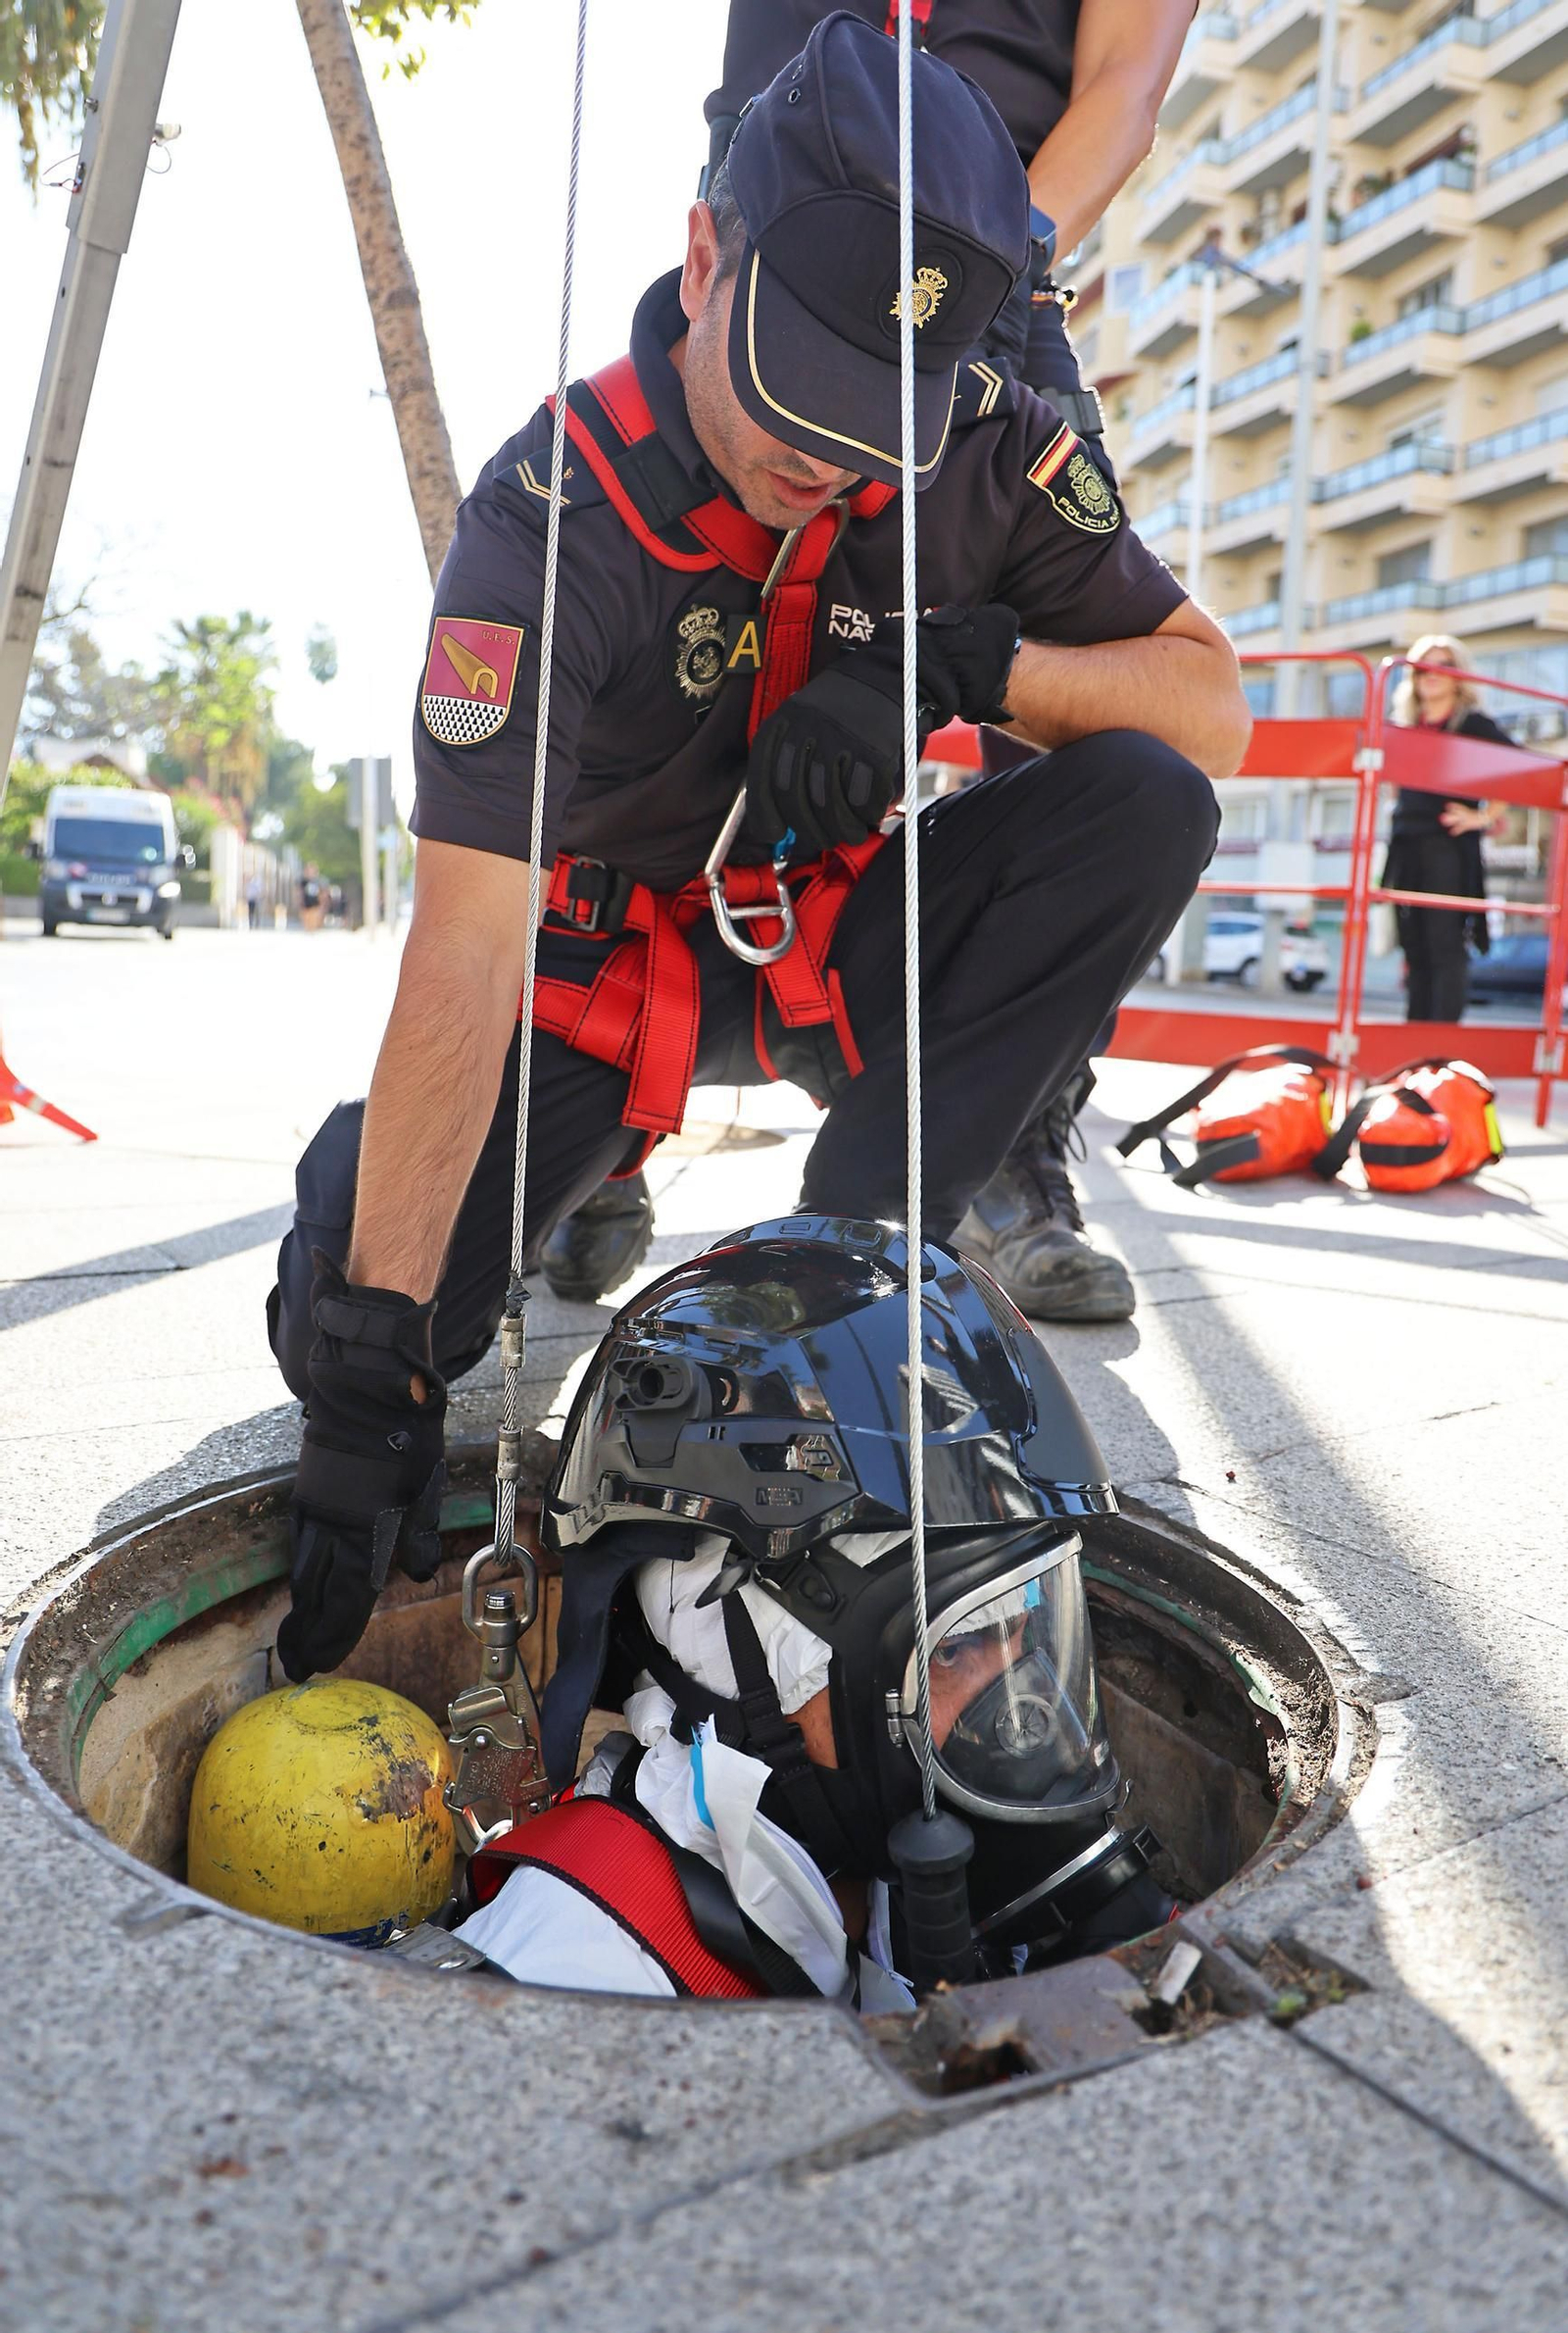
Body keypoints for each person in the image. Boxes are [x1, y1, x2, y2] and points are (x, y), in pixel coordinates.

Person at [268, 16, 1248, 1683]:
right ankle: (400, 1285)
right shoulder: (549, 511)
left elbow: (1206, 709)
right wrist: (370, 1379)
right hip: (596, 970)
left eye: (887, 409)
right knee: (363, 1318)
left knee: (1145, 800)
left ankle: (856, 1258)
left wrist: (964, 668)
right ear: (706, 249)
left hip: (837, 932)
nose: (831, 451)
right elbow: (465, 945)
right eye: (802, 379)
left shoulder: (995, 430)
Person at [540, 0, 1196, 1322]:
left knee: (1097, 722)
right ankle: (598, 1086)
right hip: (783, 236)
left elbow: (1125, 85)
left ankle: (995, 1144)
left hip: (987, 259)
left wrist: (951, 663)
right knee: (662, 651)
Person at [452, 1217, 1172, 1999]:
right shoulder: (576, 1972)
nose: (1021, 1704)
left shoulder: (877, 1859)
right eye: (956, 1649)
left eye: (1024, 1624)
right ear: (737, 1659)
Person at [1383, 633, 1509, 1025]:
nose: (1431, 675)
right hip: (1406, 847)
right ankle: (1413, 1047)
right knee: (1414, 949)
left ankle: (1439, 1052)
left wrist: (1484, 817)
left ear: (1459, 677)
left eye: (1444, 666)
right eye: (1423, 667)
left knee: (1444, 948)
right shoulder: (1405, 726)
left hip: (1447, 849)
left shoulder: (1472, 724)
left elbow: (1522, 769)